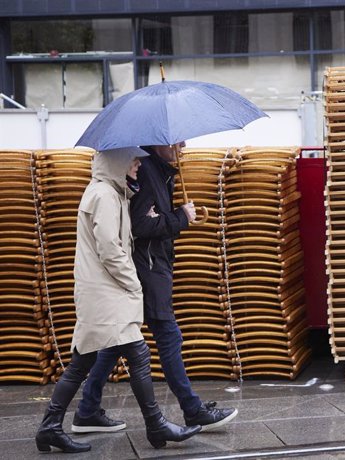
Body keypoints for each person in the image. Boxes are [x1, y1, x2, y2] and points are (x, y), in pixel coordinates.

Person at [35, 148, 201, 453]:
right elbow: (110, 249)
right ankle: (156, 426)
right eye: (133, 159)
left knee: (82, 362)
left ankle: (50, 427)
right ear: (116, 162)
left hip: (104, 292)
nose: (139, 164)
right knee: (137, 356)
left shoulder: (113, 194)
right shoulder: (104, 197)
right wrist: (133, 283)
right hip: (106, 293)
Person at [72, 142, 237, 435]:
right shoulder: (146, 172)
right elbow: (138, 226)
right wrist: (179, 218)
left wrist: (175, 214)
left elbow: (148, 220)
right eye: (177, 140)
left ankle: (86, 411)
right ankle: (192, 409)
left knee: (113, 345)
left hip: (152, 267)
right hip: (146, 271)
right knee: (168, 337)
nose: (183, 144)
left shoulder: (160, 172)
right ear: (157, 142)